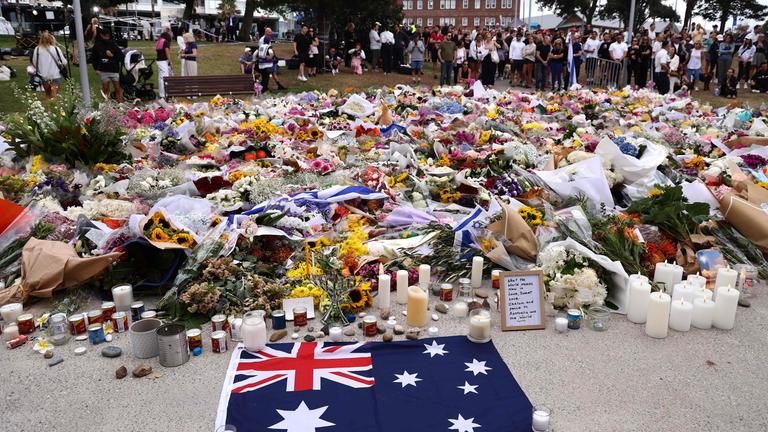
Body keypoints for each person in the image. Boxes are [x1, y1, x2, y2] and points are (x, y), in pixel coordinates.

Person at [31, 31, 67, 101]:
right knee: (54, 95)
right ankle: (54, 110)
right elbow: (64, 62)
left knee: (48, 95)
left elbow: (35, 63)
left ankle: (49, 111)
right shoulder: (56, 49)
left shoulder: (37, 49)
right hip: (55, 75)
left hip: (44, 76)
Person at [91, 28, 124, 102]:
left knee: (117, 88)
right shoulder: (97, 46)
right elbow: (94, 58)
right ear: (101, 35)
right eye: (105, 36)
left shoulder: (113, 44)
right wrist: (96, 68)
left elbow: (121, 56)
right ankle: (105, 104)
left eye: (108, 36)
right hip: (103, 70)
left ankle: (120, 103)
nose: (106, 38)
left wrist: (112, 55)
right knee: (105, 88)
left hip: (114, 69)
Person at [155, 30, 172, 99]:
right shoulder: (165, 42)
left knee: (160, 78)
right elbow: (167, 53)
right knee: (165, 77)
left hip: (158, 61)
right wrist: (170, 62)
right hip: (163, 61)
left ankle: (161, 93)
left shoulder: (159, 41)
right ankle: (164, 94)